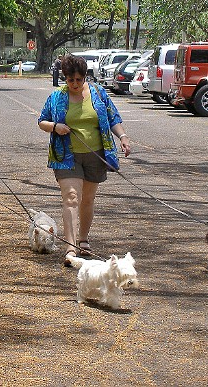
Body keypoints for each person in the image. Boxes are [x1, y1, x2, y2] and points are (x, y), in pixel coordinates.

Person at [38, 54, 131, 266]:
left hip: (96, 154)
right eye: (70, 80)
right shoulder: (56, 97)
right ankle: (70, 247)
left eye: (79, 80)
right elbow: (41, 121)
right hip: (66, 155)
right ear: (65, 78)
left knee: (87, 199)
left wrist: (123, 138)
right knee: (71, 197)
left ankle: (83, 239)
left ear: (85, 77)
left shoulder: (98, 94)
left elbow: (113, 118)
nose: (75, 84)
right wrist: (55, 127)